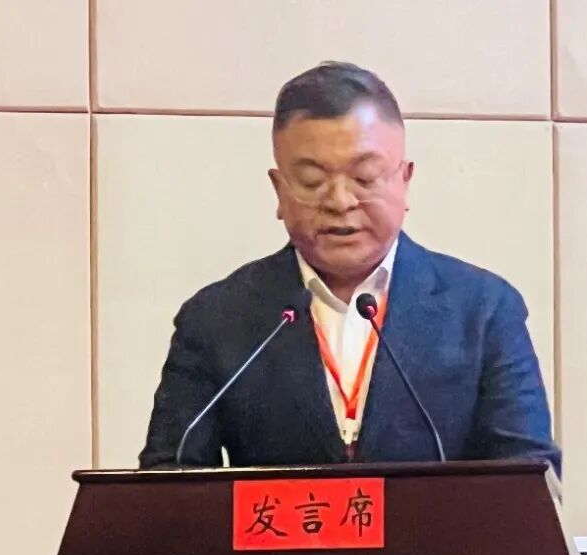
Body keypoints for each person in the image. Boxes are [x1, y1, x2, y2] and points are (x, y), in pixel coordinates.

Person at [138, 61, 560, 474]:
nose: (340, 202)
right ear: (279, 191)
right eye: (312, 181)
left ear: (405, 181)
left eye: (365, 177)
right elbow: (168, 482)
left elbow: (529, 477)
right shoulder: (215, 319)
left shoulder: (484, 310)